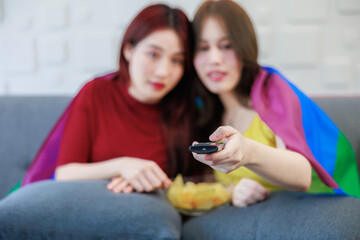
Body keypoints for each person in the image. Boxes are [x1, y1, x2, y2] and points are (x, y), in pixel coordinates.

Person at [0, 4, 201, 239]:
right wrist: (122, 166)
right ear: (128, 50)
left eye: (177, 60)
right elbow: (65, 172)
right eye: (153, 54)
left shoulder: (185, 107)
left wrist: (148, 183)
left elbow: (192, 183)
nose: (163, 72)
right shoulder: (96, 92)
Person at [182, 1, 360, 239]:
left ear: (245, 47)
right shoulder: (199, 109)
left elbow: (303, 175)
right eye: (203, 48)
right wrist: (230, 191)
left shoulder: (272, 92)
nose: (214, 59)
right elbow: (191, 183)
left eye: (226, 46)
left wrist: (248, 152)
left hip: (304, 216)